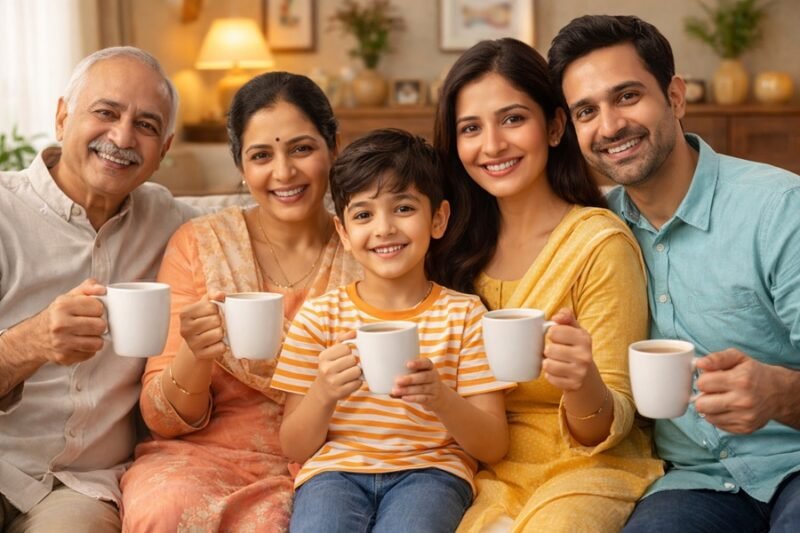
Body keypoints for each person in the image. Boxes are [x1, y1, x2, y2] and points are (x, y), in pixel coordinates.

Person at [549, 14, 800, 533]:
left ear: (676, 97)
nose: (611, 125)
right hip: (692, 482)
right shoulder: (596, 232)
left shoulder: (780, 209)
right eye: (586, 111)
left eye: (627, 96)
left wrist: (781, 394)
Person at [429, 38, 664, 532]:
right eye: (471, 128)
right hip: (484, 473)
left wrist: (581, 384)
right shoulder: (449, 248)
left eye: (513, 119)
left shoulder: (598, 243)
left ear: (554, 126)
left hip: (589, 471)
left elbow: (611, 426)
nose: (492, 145)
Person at [119, 72, 361, 532]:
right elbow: (162, 419)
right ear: (241, 165)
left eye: (302, 148)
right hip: (202, 457)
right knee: (165, 509)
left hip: (333, 460)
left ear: (333, 146)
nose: (284, 172)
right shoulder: (201, 245)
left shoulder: (367, 247)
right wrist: (196, 352)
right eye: (261, 155)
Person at [271, 128, 514, 532]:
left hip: (432, 472)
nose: (383, 228)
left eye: (403, 208)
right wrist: (324, 392)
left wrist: (440, 398)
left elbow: (494, 445)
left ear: (438, 219)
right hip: (334, 473)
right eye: (364, 214)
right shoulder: (318, 319)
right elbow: (294, 447)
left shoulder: (465, 316)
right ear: (344, 233)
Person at [0, 47, 197, 532]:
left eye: (146, 125)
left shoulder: (174, 225)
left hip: (83, 486)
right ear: (63, 116)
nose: (122, 137)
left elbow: (266, 231)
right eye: (106, 112)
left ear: (164, 150)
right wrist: (32, 341)